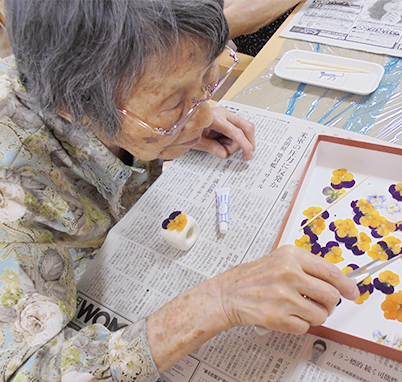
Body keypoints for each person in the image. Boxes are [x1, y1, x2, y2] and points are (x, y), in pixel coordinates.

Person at [0, 1, 359, 380]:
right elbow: (25, 370)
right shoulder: (14, 179)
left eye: (209, 77)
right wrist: (219, 301)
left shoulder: (121, 84)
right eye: (172, 103)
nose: (205, 116)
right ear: (72, 107)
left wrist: (184, 107)